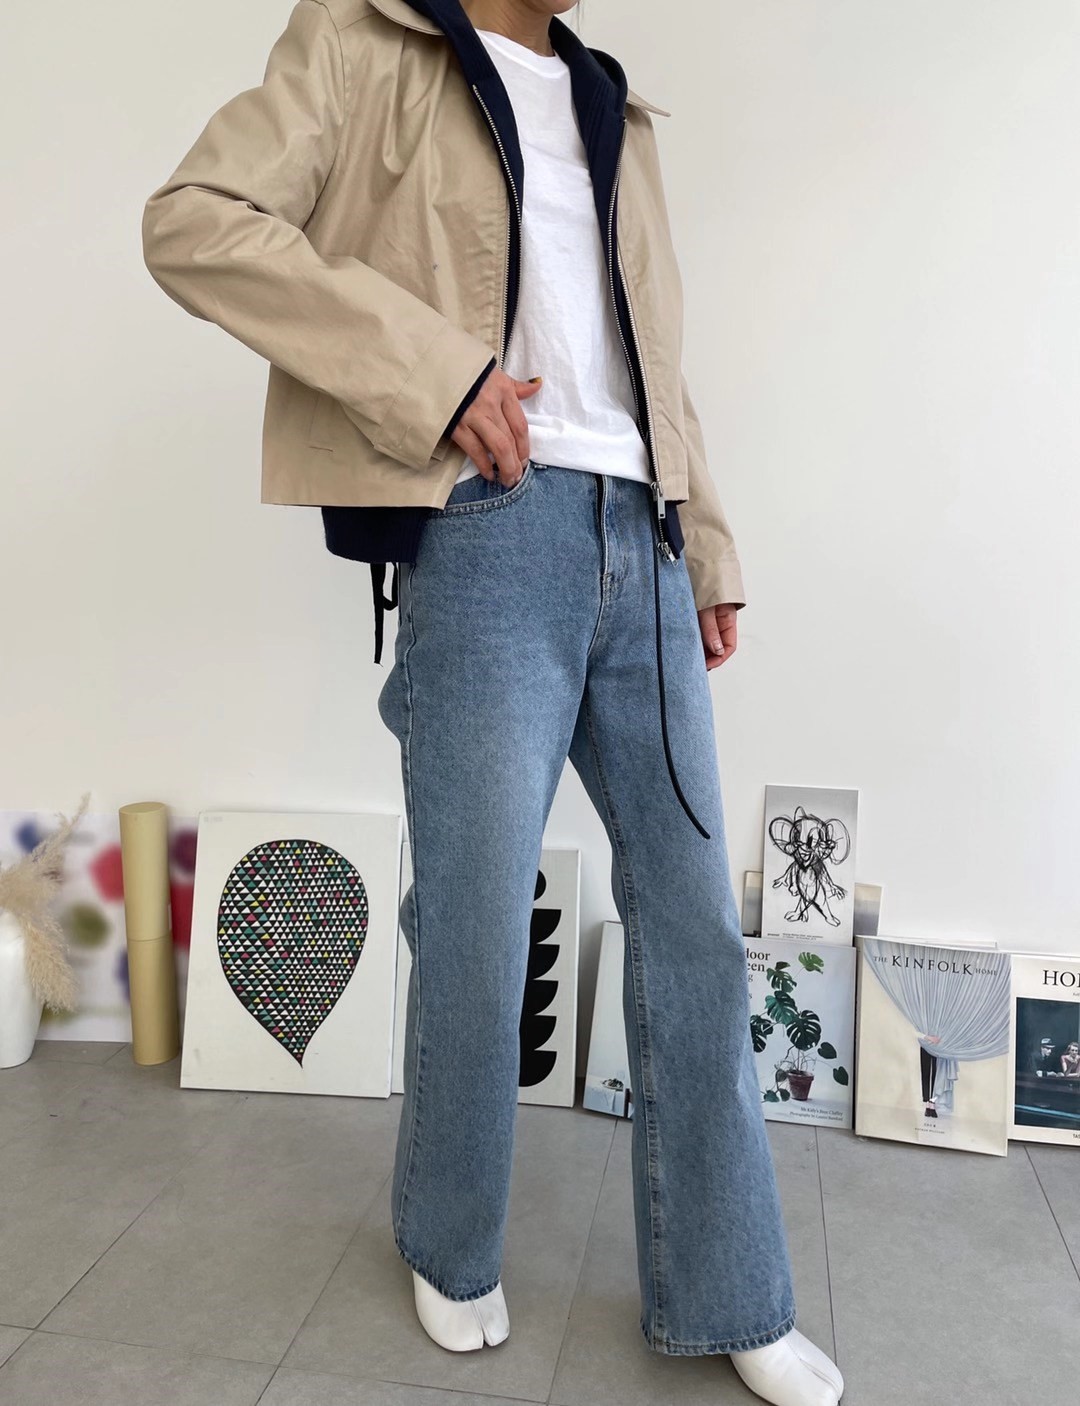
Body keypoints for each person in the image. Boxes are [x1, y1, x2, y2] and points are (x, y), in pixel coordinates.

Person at [141, 1, 844, 1402]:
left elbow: (655, 365)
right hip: (487, 528)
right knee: (474, 914)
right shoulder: (360, 45)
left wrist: (705, 547)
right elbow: (195, 221)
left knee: (696, 922)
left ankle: (733, 1285)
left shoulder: (615, 108)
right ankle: (450, 1239)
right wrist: (439, 377)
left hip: (640, 539)